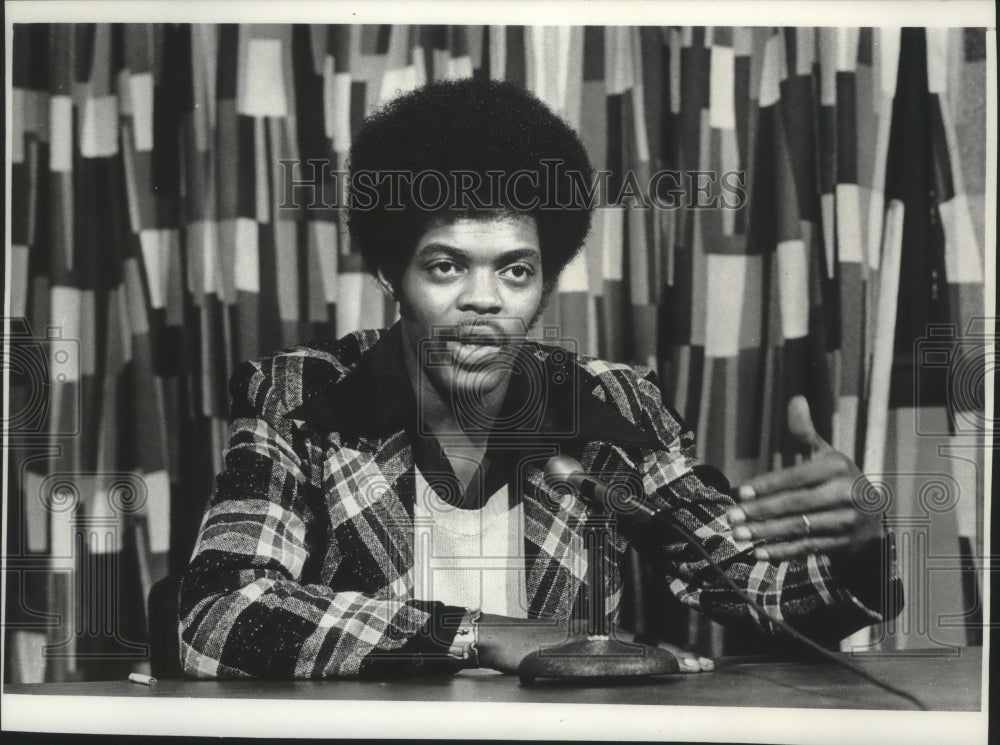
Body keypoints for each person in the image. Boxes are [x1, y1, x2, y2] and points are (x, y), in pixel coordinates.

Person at [177, 78, 902, 679]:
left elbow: (758, 592)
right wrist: (482, 633)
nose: (483, 300)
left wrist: (862, 545)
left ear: (545, 284)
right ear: (391, 274)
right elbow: (218, 614)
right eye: (446, 266)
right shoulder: (300, 396)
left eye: (515, 270)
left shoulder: (612, 404)